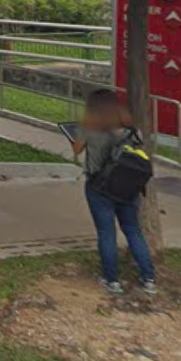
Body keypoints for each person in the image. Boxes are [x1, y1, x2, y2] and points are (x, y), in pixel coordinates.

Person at [72, 89, 156, 296]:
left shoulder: (87, 128)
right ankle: (148, 278)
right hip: (127, 187)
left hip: (99, 187)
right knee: (133, 230)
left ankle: (112, 280)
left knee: (106, 233)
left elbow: (77, 149)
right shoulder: (130, 129)